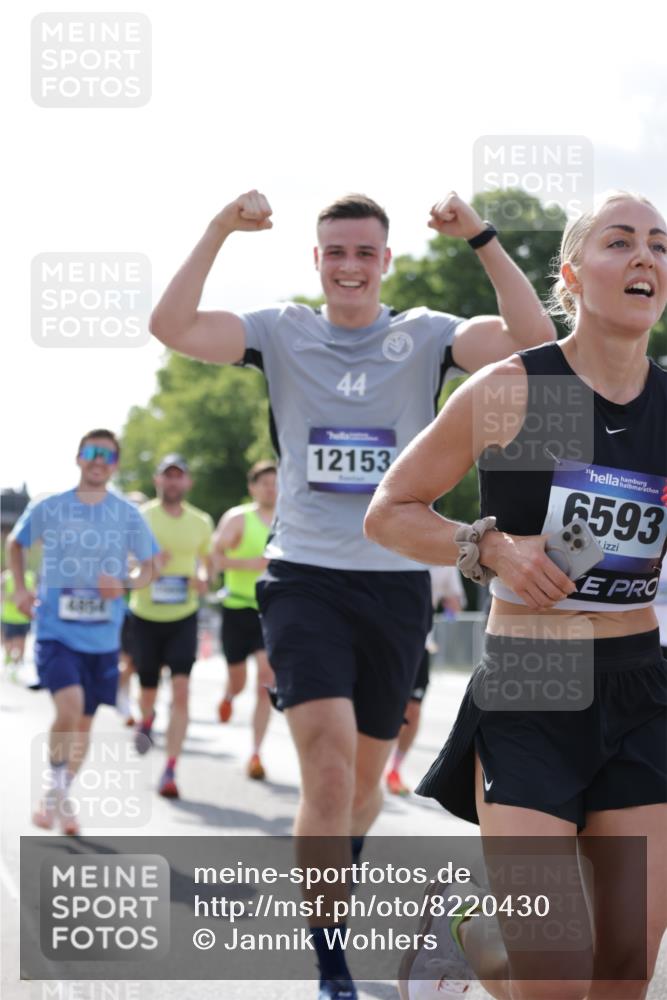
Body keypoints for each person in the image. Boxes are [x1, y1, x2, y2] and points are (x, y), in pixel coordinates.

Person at [149, 188, 556, 999]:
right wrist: (219, 228)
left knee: (364, 788)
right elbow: (172, 325)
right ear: (316, 260)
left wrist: (478, 236)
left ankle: (332, 865)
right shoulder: (279, 330)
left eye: (364, 252)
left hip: (398, 581)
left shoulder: (427, 335)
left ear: (385, 261)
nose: (348, 267)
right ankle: (329, 956)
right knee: (328, 777)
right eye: (334, 252)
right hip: (301, 577)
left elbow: (539, 342)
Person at [365, 192, 667, 1000]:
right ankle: (464, 931)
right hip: (534, 682)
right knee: (555, 971)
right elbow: (388, 513)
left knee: (623, 964)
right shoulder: (519, 390)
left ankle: (468, 939)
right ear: (570, 274)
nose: (645, 257)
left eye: (658, 246)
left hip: (639, 684)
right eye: (620, 242)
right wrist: (488, 547)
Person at [7, 429, 156, 834]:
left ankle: (58, 796)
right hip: (57, 631)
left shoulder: (127, 514)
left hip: (103, 639)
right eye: (91, 452)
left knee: (84, 726)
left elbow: (152, 567)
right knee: (68, 709)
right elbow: (16, 545)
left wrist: (125, 583)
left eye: (106, 455)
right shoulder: (50, 506)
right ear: (78, 458)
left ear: (115, 465)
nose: (97, 460)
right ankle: (57, 792)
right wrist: (20, 589)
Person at [130, 454, 214, 799]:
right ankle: (147, 719)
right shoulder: (140, 517)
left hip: (183, 615)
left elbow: (209, 565)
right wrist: (148, 564)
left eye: (179, 476)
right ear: (157, 480)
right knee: (147, 686)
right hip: (145, 615)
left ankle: (170, 769)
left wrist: (204, 580)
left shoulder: (201, 521)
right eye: (168, 476)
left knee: (181, 690)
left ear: (188, 482)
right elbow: (127, 567)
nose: (174, 482)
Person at [213, 460, 277, 780]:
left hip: (270, 610)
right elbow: (214, 557)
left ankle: (255, 752)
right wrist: (247, 563)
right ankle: (228, 696)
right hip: (237, 608)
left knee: (266, 680)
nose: (271, 488)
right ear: (252, 487)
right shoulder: (239, 519)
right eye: (264, 483)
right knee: (238, 681)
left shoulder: (291, 520)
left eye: (276, 482)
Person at [386, 565, 465, 796]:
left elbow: (454, 606)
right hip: (383, 637)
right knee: (379, 705)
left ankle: (394, 770)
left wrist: (450, 612)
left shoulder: (445, 558)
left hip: (419, 642)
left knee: (413, 709)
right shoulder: (394, 540)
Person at [116, 490, 149, 725]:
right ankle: (125, 705)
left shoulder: (149, 536)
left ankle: (140, 704)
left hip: (148, 611)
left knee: (143, 664)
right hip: (122, 611)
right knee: (128, 661)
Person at [1, 567, 36, 677]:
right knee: (10, 642)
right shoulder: (6, 577)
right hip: (9, 616)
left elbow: (33, 594)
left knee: (20, 642)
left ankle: (16, 666)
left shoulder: (30, 576)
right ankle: (10, 662)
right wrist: (15, 598)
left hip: (23, 617)